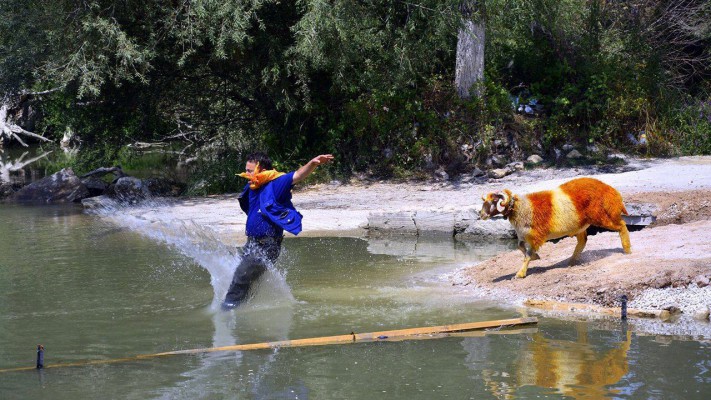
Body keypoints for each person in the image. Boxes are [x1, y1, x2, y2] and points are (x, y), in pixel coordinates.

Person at [222, 152, 334, 309]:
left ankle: (226, 311)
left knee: (241, 276)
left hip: (267, 245)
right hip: (252, 243)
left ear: (261, 169)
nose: (246, 174)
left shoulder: (276, 183)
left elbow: (297, 176)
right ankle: (243, 309)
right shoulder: (253, 185)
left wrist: (313, 163)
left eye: (250, 170)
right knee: (246, 280)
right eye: (246, 170)